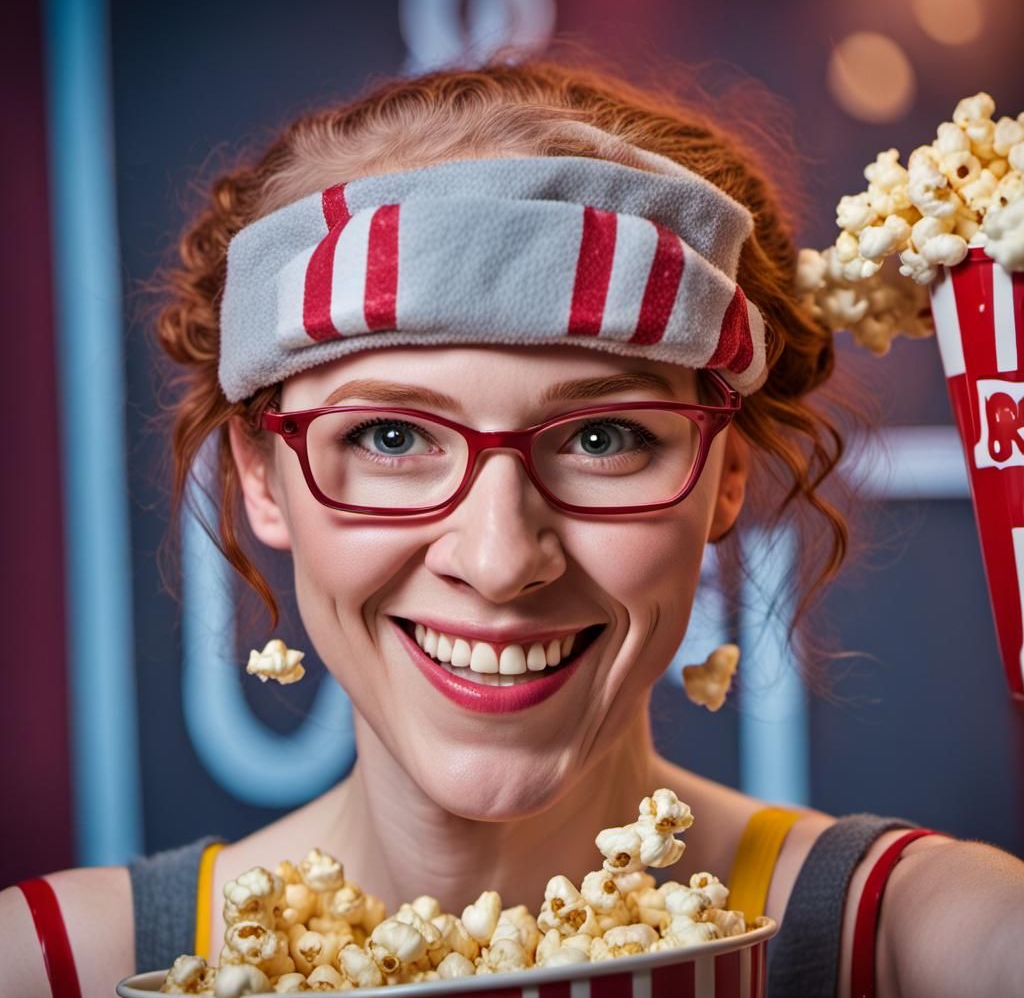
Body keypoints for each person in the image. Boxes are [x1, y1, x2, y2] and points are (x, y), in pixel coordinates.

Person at [3, 56, 1022, 998]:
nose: (497, 561)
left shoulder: (906, 938)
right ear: (262, 475)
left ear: (722, 478)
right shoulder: (55, 965)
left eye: (605, 435)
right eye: (393, 436)